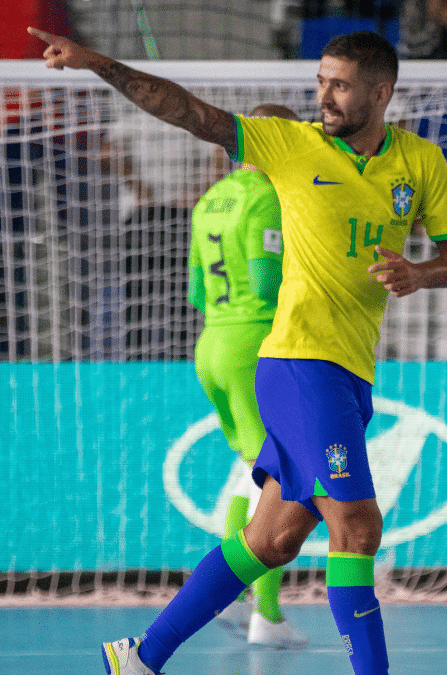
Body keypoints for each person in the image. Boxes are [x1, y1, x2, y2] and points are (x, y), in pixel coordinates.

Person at [28, 25, 447, 675]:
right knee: (357, 525)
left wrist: (420, 272)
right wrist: (99, 64)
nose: (324, 95)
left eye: (339, 85)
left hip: (349, 370)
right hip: (297, 363)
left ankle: (140, 657)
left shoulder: (420, 161)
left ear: (381, 92)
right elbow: (186, 111)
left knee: (271, 539)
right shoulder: (291, 145)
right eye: (320, 81)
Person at [190, 102, 309, 650]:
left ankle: (238, 603)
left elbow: (195, 292)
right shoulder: (266, 196)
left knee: (251, 470)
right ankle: (267, 613)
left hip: (213, 343)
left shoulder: (209, 199)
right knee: (279, 478)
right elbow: (266, 282)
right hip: (255, 344)